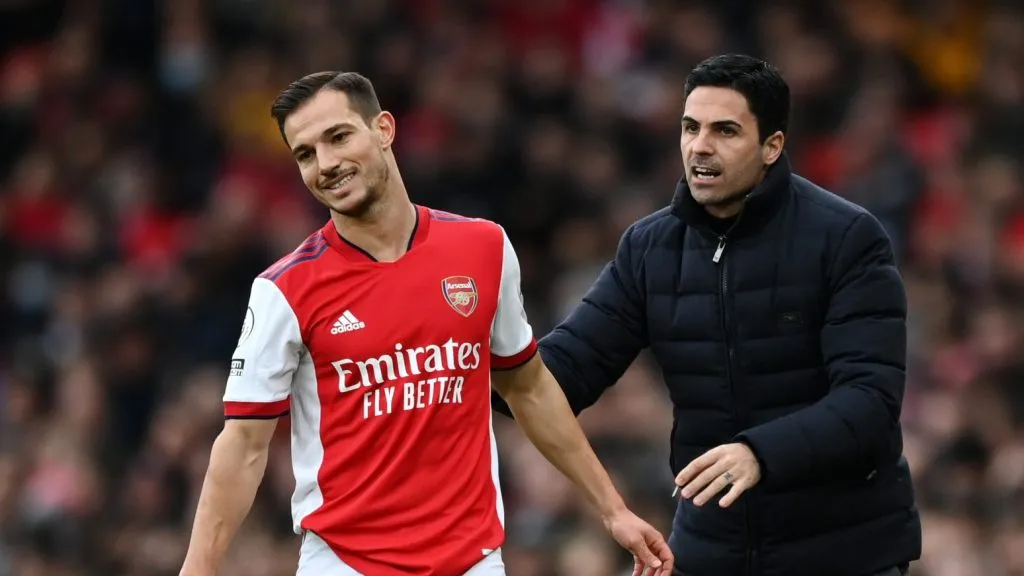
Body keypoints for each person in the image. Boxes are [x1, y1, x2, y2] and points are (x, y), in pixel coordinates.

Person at [176, 71, 673, 576]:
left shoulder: (484, 248)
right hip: (347, 565)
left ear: (384, 129)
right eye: (305, 154)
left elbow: (527, 386)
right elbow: (242, 446)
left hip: (474, 563)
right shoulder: (284, 290)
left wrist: (613, 509)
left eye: (338, 137)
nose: (325, 164)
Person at [493, 54, 923, 575]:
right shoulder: (649, 249)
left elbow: (870, 402)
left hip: (843, 551)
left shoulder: (846, 238)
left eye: (725, 131)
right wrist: (479, 363)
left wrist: (758, 453)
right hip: (711, 550)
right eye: (691, 127)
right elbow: (561, 373)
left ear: (773, 146)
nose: (700, 146)